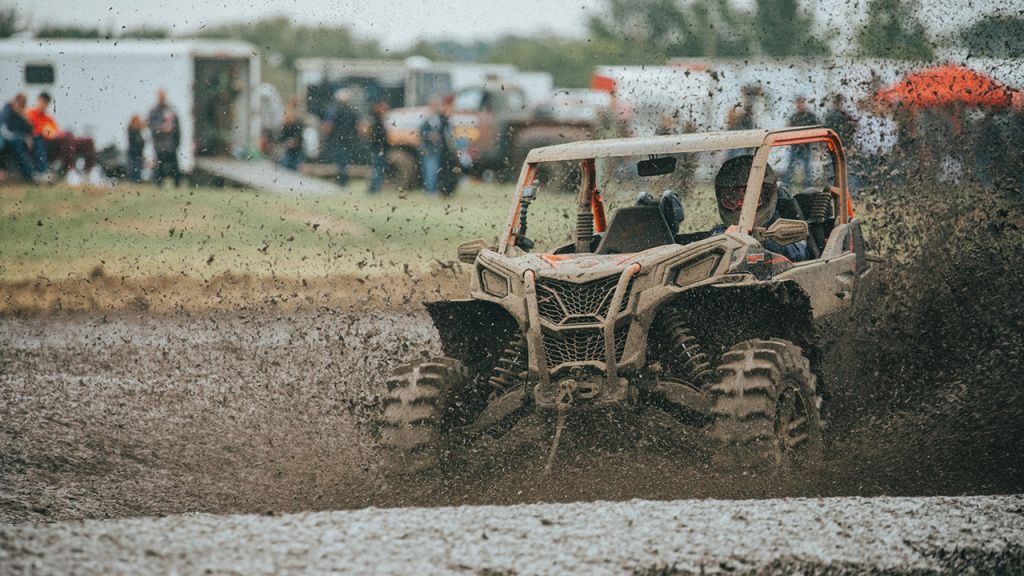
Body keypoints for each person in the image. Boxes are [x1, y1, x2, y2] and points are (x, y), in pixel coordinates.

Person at [713, 154, 808, 262]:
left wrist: (754, 238)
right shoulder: (721, 233)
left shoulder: (782, 228)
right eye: (731, 198)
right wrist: (725, 241)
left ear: (767, 195)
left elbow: (799, 254)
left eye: (750, 196)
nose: (740, 203)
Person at [26, 92, 100, 182]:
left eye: (45, 103)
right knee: (67, 137)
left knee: (88, 141)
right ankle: (71, 170)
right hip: (44, 144)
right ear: (37, 100)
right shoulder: (30, 114)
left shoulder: (48, 118)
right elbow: (31, 132)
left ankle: (88, 173)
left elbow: (56, 131)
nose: (43, 105)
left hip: (58, 142)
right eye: (42, 101)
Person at [322, 88, 359, 187]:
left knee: (340, 160)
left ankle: (342, 180)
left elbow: (328, 125)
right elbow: (357, 126)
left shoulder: (333, 110)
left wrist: (325, 135)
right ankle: (344, 179)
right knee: (345, 160)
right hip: (349, 139)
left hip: (337, 138)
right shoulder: (352, 111)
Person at [0, 93, 38, 182]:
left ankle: (30, 175)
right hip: (4, 139)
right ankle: (29, 175)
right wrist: (22, 136)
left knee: (21, 145)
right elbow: (4, 129)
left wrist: (24, 117)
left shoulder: (20, 115)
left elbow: (29, 129)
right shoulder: (7, 111)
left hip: (12, 142)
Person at [148, 89, 182, 187]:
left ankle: (177, 184)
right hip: (159, 145)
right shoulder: (153, 111)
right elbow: (151, 126)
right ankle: (159, 184)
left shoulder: (171, 110)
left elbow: (177, 127)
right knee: (160, 166)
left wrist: (177, 142)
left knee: (174, 166)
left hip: (171, 145)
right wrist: (162, 128)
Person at [785, 96, 820, 189]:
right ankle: (786, 187)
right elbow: (789, 129)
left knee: (808, 168)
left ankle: (809, 188)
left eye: (801, 103)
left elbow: (816, 129)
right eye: (798, 103)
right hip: (795, 146)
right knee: (790, 167)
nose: (800, 105)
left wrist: (816, 145)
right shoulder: (794, 117)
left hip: (806, 146)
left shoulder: (810, 116)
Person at [419, 99, 447, 195]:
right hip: (429, 149)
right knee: (430, 169)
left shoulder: (440, 119)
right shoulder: (427, 120)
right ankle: (431, 190)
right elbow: (421, 132)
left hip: (438, 149)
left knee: (435, 169)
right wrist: (429, 135)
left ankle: (433, 189)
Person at [367, 100, 390, 194]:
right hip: (378, 148)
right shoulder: (377, 120)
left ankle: (374, 188)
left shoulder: (376, 119)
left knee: (377, 168)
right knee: (378, 168)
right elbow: (377, 135)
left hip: (377, 147)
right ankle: (374, 188)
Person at [127, 115, 146, 183]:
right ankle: (136, 180)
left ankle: (136, 180)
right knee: (136, 167)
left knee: (136, 167)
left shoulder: (132, 130)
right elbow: (138, 142)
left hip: (136, 152)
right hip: (135, 152)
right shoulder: (134, 131)